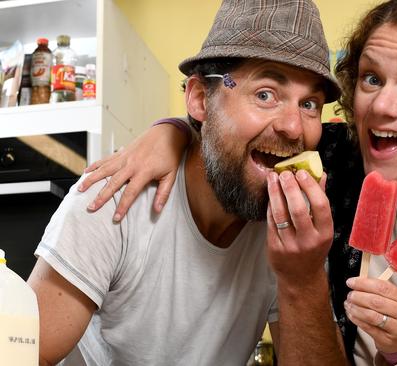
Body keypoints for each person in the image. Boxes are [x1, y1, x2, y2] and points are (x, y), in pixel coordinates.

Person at [79, 0, 397, 364]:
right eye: (370, 78)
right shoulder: (330, 159)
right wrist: (171, 133)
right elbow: (233, 138)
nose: (382, 105)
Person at [26, 1, 347, 365]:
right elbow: (20, 355)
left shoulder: (293, 238)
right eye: (265, 94)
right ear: (199, 99)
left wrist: (303, 280)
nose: (293, 127)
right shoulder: (113, 197)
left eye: (309, 104)